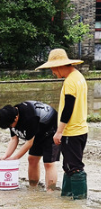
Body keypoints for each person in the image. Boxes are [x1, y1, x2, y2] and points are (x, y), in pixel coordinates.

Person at [36, 48, 88, 199]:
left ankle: (79, 200)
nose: (53, 72)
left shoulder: (71, 81)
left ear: (59, 66)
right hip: (81, 129)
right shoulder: (79, 77)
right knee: (69, 165)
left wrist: (59, 131)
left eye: (53, 69)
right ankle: (67, 196)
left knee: (75, 167)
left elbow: (68, 109)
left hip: (71, 131)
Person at [0, 101, 60, 191]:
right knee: (32, 159)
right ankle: (33, 187)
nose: (10, 127)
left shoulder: (29, 117)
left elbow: (29, 143)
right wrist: (6, 156)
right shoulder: (10, 116)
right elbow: (14, 139)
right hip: (37, 131)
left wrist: (15, 158)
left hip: (52, 130)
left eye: (10, 125)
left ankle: (50, 191)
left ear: (16, 118)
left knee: (49, 162)